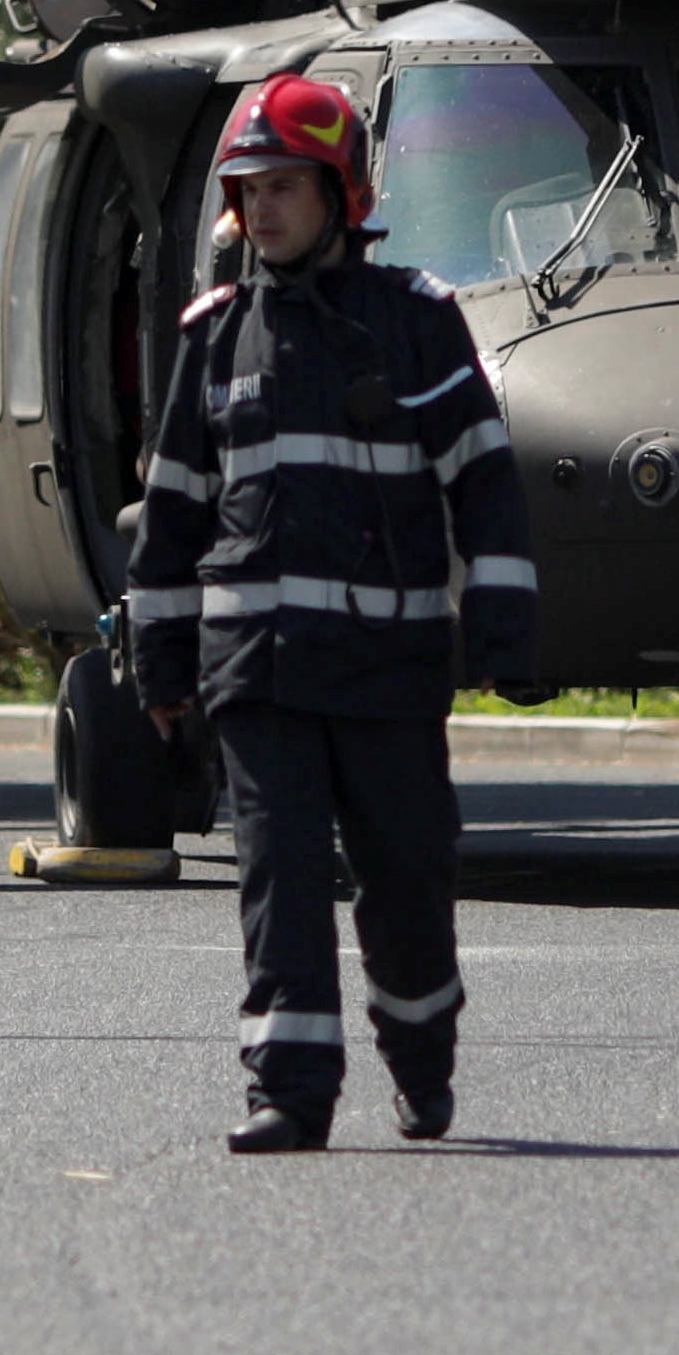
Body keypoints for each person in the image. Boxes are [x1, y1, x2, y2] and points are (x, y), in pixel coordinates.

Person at [132, 72, 537, 1155]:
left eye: (281, 188)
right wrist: (159, 660)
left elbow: (485, 478)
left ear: (339, 193)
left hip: (388, 667)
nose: (259, 210)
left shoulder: (415, 324)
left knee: (408, 878)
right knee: (280, 879)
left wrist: (501, 619)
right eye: (246, 190)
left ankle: (420, 1057)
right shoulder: (215, 337)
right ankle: (289, 1089)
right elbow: (171, 511)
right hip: (258, 670)